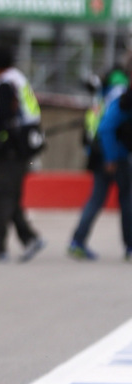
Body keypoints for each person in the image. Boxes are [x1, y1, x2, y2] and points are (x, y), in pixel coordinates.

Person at [0, 46, 46, 263]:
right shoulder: (17, 78)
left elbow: (1, 119)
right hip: (24, 144)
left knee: (1, 196)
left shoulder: (5, 83)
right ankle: (30, 238)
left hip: (11, 149)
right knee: (9, 195)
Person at [68, 71, 131, 260]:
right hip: (114, 158)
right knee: (127, 202)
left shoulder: (103, 97)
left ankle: (77, 242)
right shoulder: (123, 100)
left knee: (96, 200)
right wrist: (111, 158)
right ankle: (129, 246)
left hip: (101, 156)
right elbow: (105, 128)